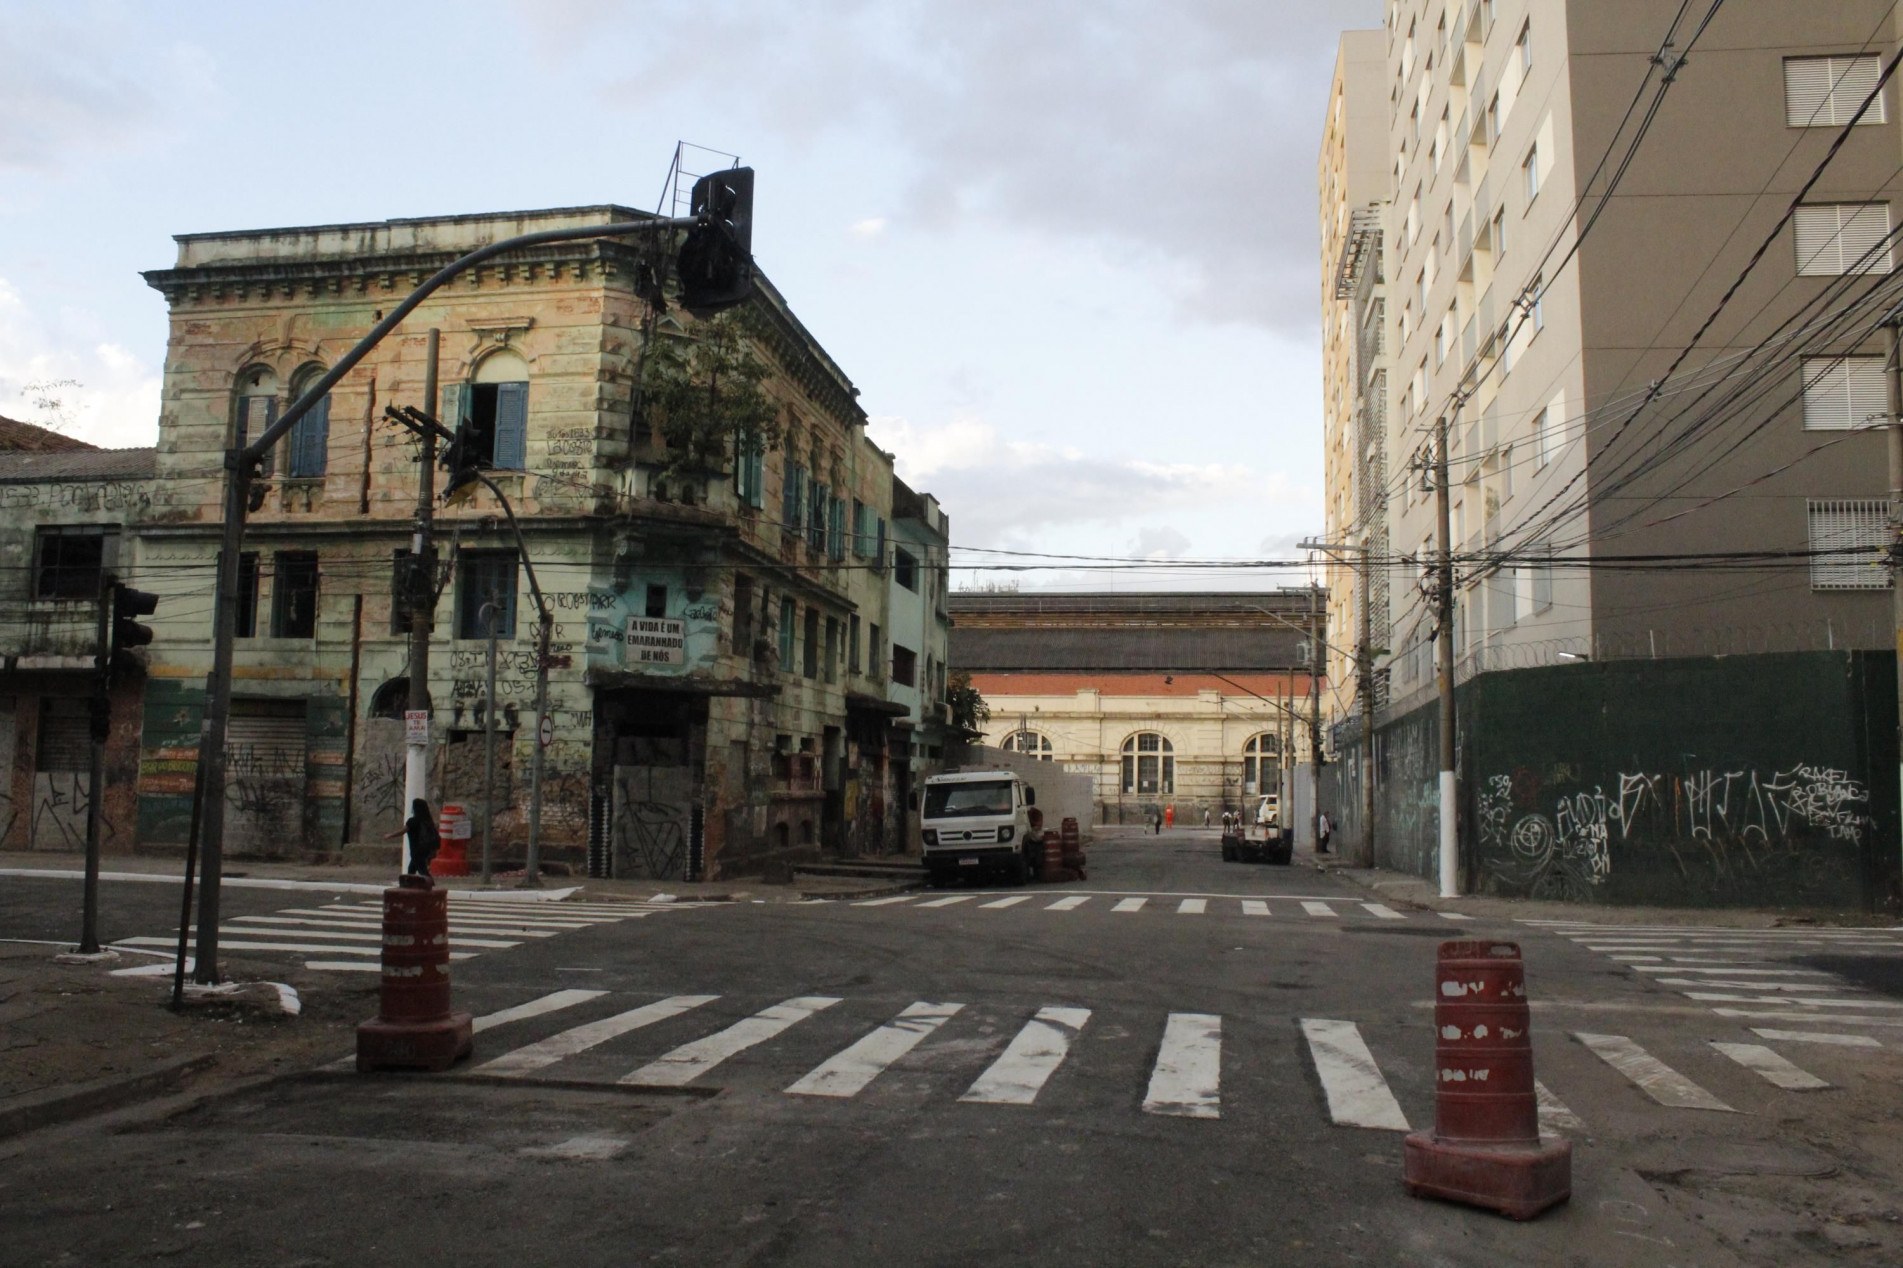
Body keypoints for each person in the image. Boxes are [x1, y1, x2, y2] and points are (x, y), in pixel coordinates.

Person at [384, 798, 441, 878]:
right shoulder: (428, 821)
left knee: (422, 870)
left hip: (416, 849)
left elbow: (403, 831)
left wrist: (390, 835)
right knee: (412, 868)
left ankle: (430, 885)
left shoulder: (412, 821)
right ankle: (409, 884)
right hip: (426, 849)